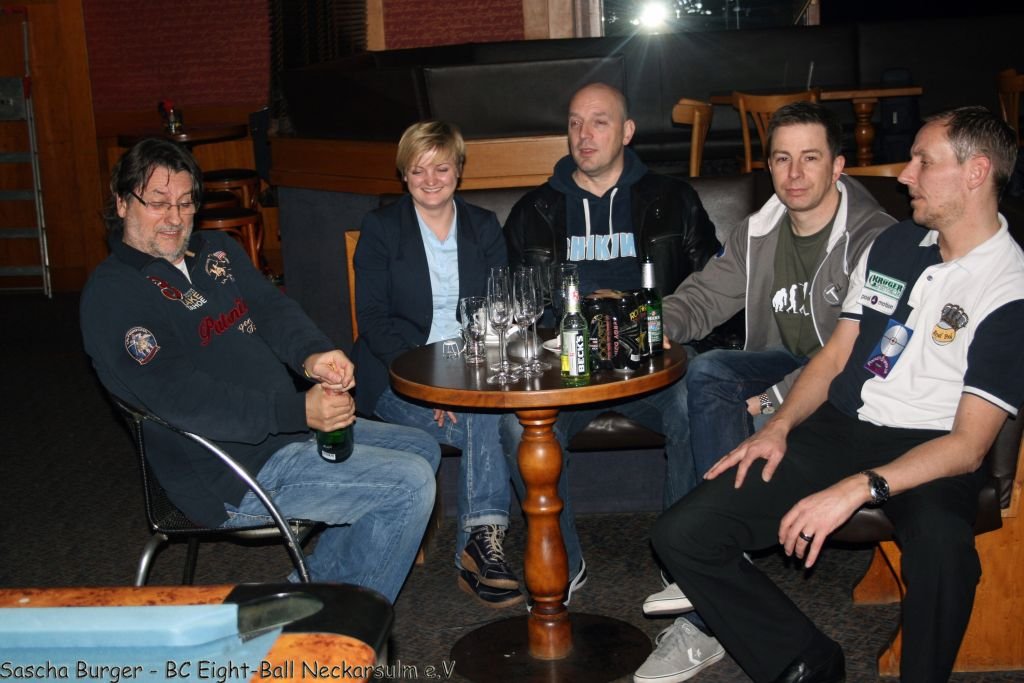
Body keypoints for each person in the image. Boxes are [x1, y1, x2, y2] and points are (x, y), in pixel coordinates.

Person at [650, 105, 1023, 683]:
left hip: (932, 448)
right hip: (842, 425)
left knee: (944, 550)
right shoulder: (896, 244)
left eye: (923, 162)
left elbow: (970, 446)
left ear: (976, 173)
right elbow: (836, 356)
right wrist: (778, 428)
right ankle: (805, 660)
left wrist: (858, 487)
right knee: (681, 534)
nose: (905, 175)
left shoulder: (1010, 288)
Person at [81, 138, 439, 604]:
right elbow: (185, 400)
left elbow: (271, 309)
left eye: (186, 203)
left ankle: (307, 596)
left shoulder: (215, 251)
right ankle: (339, 626)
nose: (175, 217)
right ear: (122, 203)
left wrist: (313, 355)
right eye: (158, 202)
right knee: (409, 485)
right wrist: (297, 411)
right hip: (227, 471)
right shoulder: (114, 295)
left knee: (423, 448)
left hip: (283, 432)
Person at [634, 102, 896, 681]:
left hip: (849, 392)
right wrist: (648, 324)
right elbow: (703, 297)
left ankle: (705, 592)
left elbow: (856, 358)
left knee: (713, 393)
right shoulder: (759, 230)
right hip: (786, 363)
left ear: (839, 166)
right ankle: (719, 547)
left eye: (810, 158)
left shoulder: (874, 239)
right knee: (706, 373)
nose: (794, 174)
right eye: (782, 159)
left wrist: (774, 400)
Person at [502, 81, 721, 600]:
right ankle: (561, 559)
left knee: (695, 402)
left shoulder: (673, 199)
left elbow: (714, 284)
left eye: (599, 122)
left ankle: (682, 554)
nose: (584, 134)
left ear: (626, 131)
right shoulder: (534, 211)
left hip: (652, 364)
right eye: (575, 123)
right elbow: (514, 306)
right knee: (515, 428)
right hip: (567, 368)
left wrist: (695, 346)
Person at [351, 120, 523, 608]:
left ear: (458, 171)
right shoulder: (381, 228)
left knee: (481, 414)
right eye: (418, 169)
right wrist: (431, 383)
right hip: (396, 376)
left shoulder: (483, 226)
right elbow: (373, 320)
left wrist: (461, 383)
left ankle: (478, 549)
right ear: (404, 174)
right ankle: (482, 547)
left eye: (441, 167)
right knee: (485, 419)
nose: (430, 179)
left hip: (471, 371)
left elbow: (499, 311)